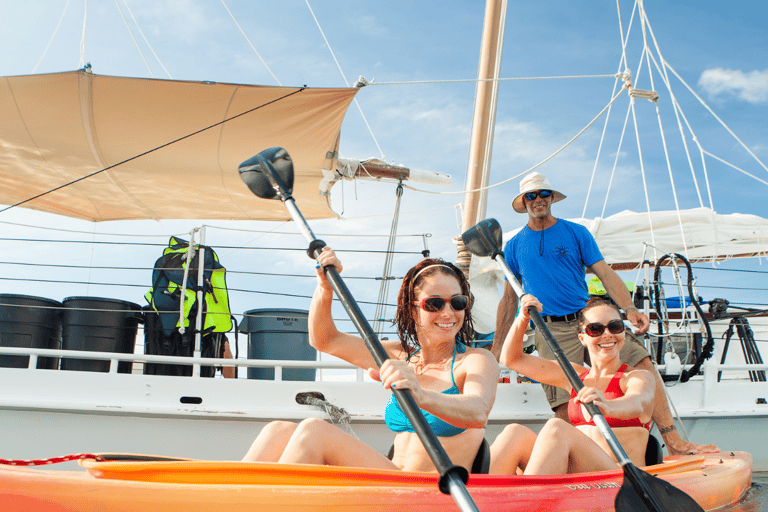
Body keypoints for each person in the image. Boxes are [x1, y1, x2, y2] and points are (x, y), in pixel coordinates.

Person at [493, 171, 718, 455]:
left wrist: (630, 308)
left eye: (543, 194)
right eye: (531, 196)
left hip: (588, 319)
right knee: (565, 405)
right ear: (524, 202)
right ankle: (578, 467)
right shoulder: (513, 246)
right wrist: (497, 347)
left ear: (552, 198)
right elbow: (508, 300)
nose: (538, 200)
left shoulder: (576, 233)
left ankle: (674, 443)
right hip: (550, 329)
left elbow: (605, 274)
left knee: (643, 363)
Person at [242, 247, 499, 472]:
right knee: (278, 430)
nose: (448, 312)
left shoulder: (475, 360)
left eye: (457, 302)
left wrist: (420, 395)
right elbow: (325, 340)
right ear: (413, 308)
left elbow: (477, 412)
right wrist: (325, 287)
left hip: (430, 489)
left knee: (315, 431)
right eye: (434, 303)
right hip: (393, 476)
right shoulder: (400, 357)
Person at [491, 295, 655, 474]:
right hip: (579, 477)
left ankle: (530, 496)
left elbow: (638, 402)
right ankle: (478, 498)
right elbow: (511, 359)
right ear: (582, 338)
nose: (607, 334)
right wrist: (523, 318)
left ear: (623, 332)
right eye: (595, 329)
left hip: (622, 476)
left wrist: (608, 405)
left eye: (615, 327)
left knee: (557, 427)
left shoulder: (637, 377)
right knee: (514, 433)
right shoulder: (575, 376)